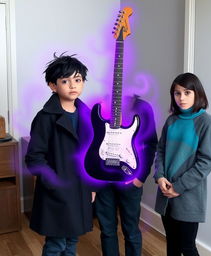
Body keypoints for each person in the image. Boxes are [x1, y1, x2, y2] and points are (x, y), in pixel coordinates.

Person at [25, 53, 95, 256]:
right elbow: (34, 158)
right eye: (65, 81)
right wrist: (55, 183)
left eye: (78, 80)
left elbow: (91, 155)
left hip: (80, 190)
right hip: (56, 192)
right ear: (53, 86)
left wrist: (91, 186)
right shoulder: (45, 117)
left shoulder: (87, 114)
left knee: (72, 241)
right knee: (56, 245)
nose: (73, 85)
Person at [154, 72, 211, 256]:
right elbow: (161, 150)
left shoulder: (205, 122)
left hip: (188, 197)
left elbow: (205, 162)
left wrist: (178, 187)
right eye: (177, 93)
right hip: (166, 193)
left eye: (187, 93)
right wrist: (159, 177)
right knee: (172, 244)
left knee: (187, 247)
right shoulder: (171, 120)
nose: (181, 98)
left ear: (197, 94)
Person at [95, 95, 158, 256]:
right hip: (104, 179)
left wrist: (140, 178)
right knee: (107, 229)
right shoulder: (99, 105)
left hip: (130, 181)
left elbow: (151, 144)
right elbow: (93, 142)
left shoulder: (143, 107)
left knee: (131, 230)